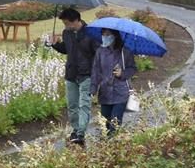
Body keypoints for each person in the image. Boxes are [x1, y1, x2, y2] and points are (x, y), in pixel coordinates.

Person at [46, 8, 97, 144]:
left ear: (76, 21)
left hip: (86, 74)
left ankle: (80, 133)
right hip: (71, 74)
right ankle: (75, 130)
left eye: (67, 23)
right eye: (64, 23)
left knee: (84, 105)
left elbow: (97, 54)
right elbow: (66, 49)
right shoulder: (66, 33)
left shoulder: (90, 33)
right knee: (72, 105)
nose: (66, 26)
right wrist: (55, 44)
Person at [91, 28, 136, 136]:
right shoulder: (100, 51)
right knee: (105, 125)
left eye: (108, 34)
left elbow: (132, 68)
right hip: (105, 93)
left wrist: (122, 73)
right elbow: (95, 71)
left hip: (120, 93)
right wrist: (93, 89)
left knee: (114, 125)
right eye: (103, 34)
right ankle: (107, 148)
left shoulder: (125, 51)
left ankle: (113, 147)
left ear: (115, 36)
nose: (105, 37)